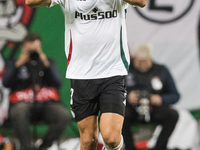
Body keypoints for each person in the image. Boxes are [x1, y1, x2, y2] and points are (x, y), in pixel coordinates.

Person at [24, 0, 148, 150]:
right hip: (81, 75)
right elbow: (31, 2)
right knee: (89, 140)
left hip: (112, 72)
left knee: (111, 138)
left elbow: (142, 2)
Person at [2, 33, 70, 150]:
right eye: (30, 50)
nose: (33, 53)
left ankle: (43, 147)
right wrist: (19, 64)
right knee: (19, 111)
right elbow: (6, 83)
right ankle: (27, 148)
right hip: (22, 105)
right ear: (24, 48)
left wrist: (46, 64)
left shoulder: (47, 62)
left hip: (46, 104)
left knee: (63, 115)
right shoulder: (15, 64)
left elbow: (58, 82)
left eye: (36, 50)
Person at [122, 43, 180, 150]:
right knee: (120, 114)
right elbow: (114, 95)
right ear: (134, 58)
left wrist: (160, 99)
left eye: (146, 61)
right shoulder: (125, 70)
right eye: (139, 61)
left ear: (151, 58)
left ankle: (160, 147)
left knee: (173, 115)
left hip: (155, 110)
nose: (143, 64)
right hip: (133, 111)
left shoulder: (161, 70)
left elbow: (175, 95)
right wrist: (128, 98)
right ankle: (129, 147)